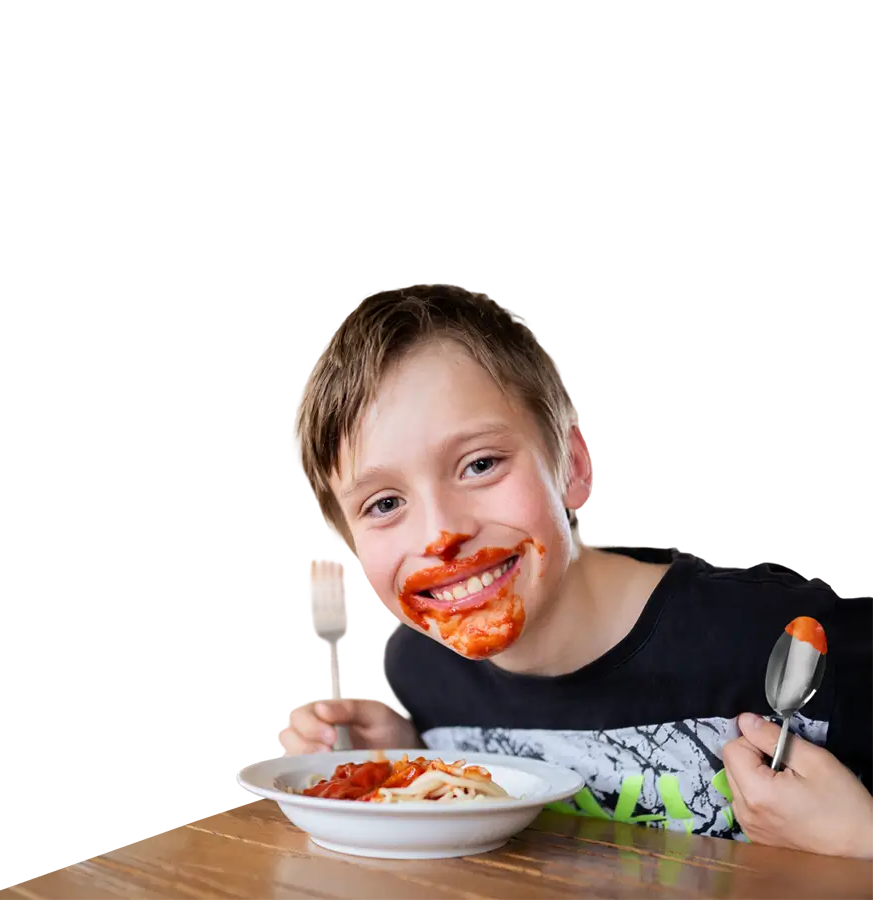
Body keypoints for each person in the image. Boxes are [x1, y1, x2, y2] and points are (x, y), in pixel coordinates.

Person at [282, 283, 873, 857]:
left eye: (480, 464)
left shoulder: (798, 642)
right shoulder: (419, 670)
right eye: (384, 504)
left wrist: (859, 838)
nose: (442, 536)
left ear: (574, 467)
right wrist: (411, 762)